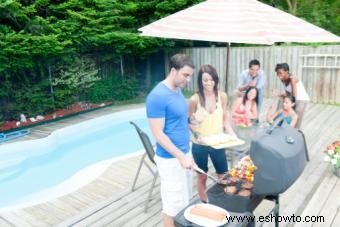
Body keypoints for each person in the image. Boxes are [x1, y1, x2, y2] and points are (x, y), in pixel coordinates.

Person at [146, 53, 196, 227]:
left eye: (190, 76)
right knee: (172, 207)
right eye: (186, 75)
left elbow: (177, 118)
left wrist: (191, 123)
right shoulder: (157, 96)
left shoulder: (178, 90)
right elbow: (158, 134)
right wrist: (180, 156)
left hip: (185, 153)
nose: (188, 80)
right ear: (173, 71)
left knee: (185, 201)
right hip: (171, 159)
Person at [188, 64, 235, 203]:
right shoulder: (194, 99)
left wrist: (231, 133)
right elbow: (189, 122)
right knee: (202, 176)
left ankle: (223, 201)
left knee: (223, 175)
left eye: (211, 79)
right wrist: (198, 136)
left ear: (216, 79)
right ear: (200, 81)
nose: (208, 83)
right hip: (199, 144)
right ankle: (204, 202)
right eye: (205, 80)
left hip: (217, 142)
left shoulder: (223, 96)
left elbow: (225, 119)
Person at [274, 63, 309, 129]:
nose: (278, 75)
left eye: (280, 73)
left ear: (286, 72)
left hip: (301, 100)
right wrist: (279, 94)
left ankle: (295, 134)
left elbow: (293, 95)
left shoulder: (292, 79)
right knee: (281, 100)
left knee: (296, 120)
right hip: (293, 98)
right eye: (277, 73)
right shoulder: (283, 79)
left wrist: (291, 107)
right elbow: (287, 93)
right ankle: (277, 123)